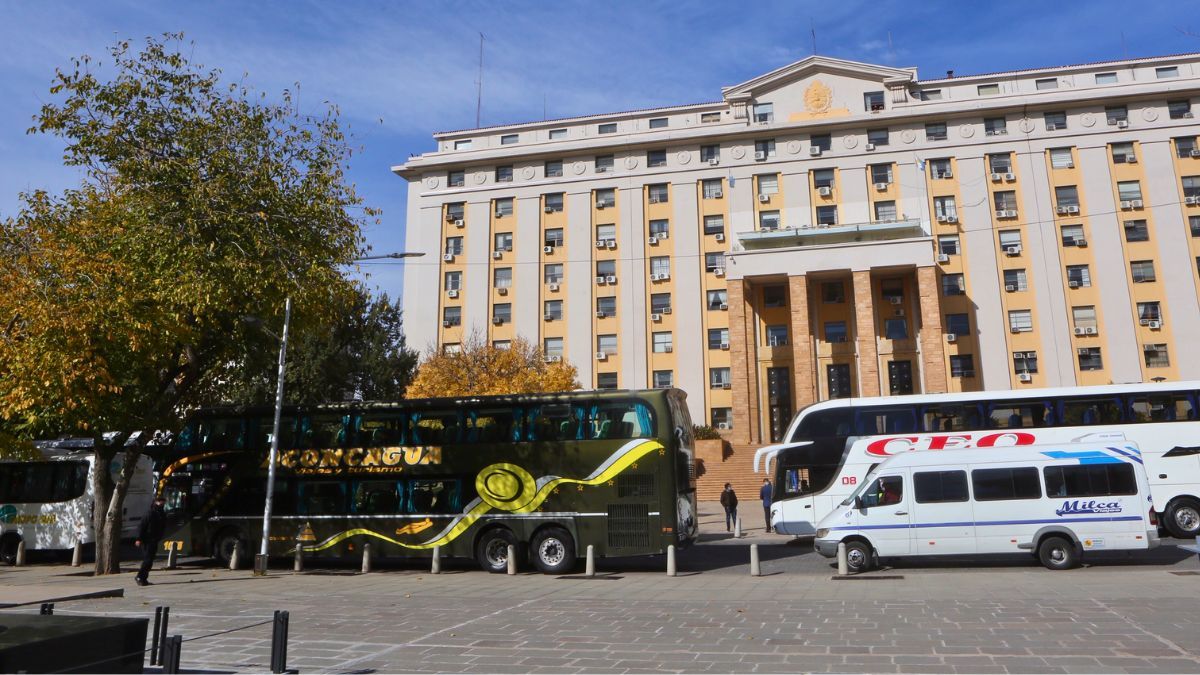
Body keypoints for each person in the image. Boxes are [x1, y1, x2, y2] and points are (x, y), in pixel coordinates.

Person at [135, 495, 167, 587]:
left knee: (150, 560)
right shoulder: (150, 513)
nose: (162, 503)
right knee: (148, 559)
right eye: (160, 501)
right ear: (155, 502)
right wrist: (138, 538)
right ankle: (139, 576)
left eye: (163, 501)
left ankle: (144, 579)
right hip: (147, 539)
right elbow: (142, 526)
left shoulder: (161, 512)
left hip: (154, 539)